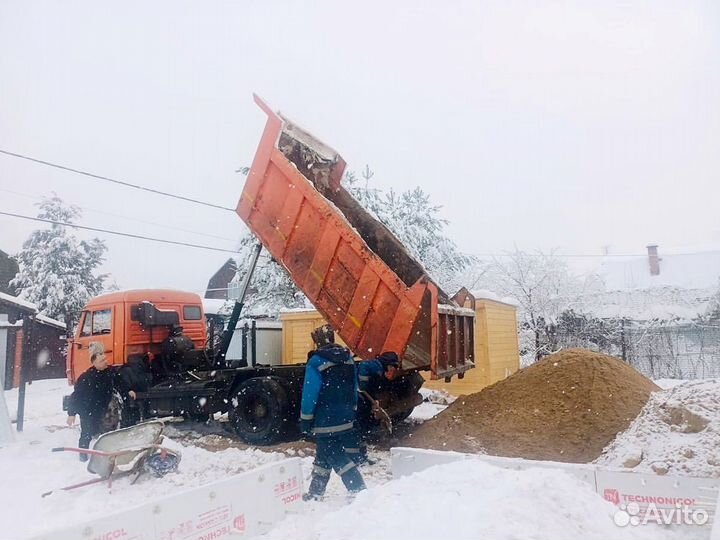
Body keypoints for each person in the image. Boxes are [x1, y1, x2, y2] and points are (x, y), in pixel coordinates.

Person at [301, 325, 366, 500]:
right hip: (345, 416)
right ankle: (315, 492)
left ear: (317, 342)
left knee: (336, 454)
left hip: (325, 418)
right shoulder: (348, 359)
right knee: (324, 454)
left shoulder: (316, 362)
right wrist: (351, 410)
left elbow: (310, 394)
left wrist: (305, 418)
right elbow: (354, 387)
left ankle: (359, 490)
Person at [66, 351, 136, 461]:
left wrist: (129, 390)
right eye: (102, 360)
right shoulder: (86, 377)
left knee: (107, 432)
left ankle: (108, 455)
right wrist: (71, 414)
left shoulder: (110, 372)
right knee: (87, 433)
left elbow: (120, 383)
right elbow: (76, 396)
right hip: (88, 409)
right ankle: (83, 455)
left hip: (102, 407)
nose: (105, 362)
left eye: (105, 359)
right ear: (94, 363)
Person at [350, 351, 401, 464]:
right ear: (387, 363)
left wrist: (374, 400)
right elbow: (364, 385)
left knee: (361, 428)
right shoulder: (374, 367)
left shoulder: (378, 368)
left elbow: (370, 388)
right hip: (359, 401)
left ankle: (361, 456)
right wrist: (364, 389)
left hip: (362, 401)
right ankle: (357, 458)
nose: (392, 369)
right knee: (359, 427)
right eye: (392, 366)